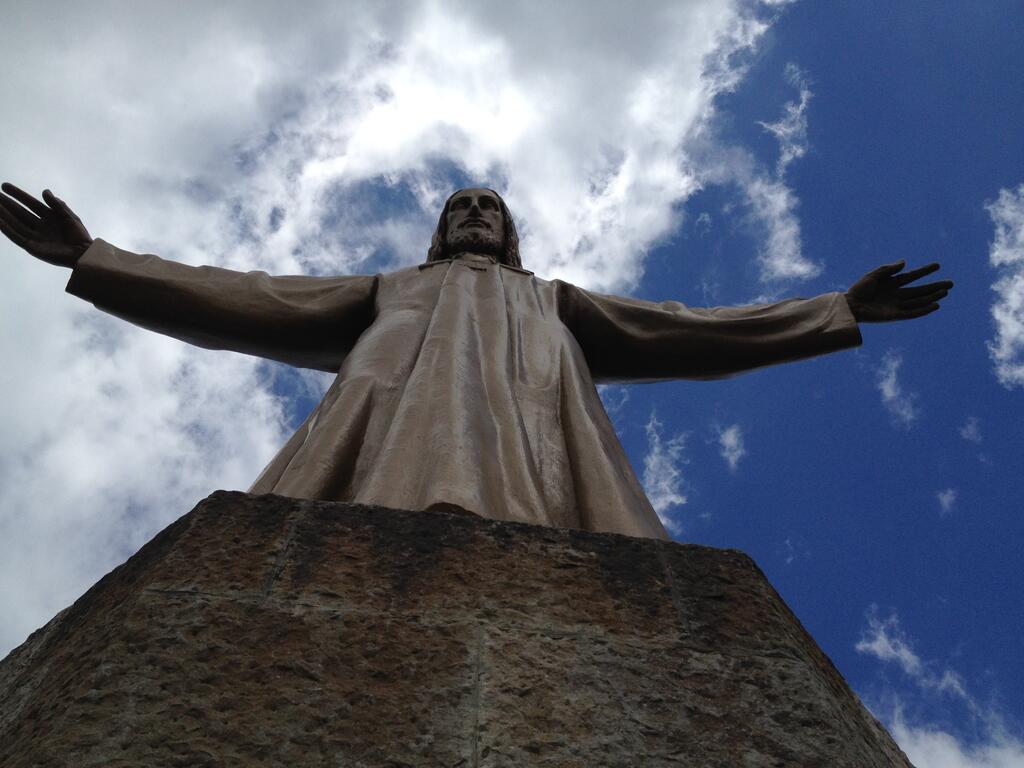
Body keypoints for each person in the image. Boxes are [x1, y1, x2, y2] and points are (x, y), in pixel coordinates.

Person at [0, 183, 952, 539]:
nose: (474, 215)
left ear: (513, 231)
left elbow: (689, 330)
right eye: (458, 206)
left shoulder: (552, 302)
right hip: (379, 441)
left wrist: (831, 310)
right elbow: (251, 296)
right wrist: (99, 259)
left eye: (490, 206)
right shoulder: (393, 289)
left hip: (543, 458)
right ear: (437, 230)